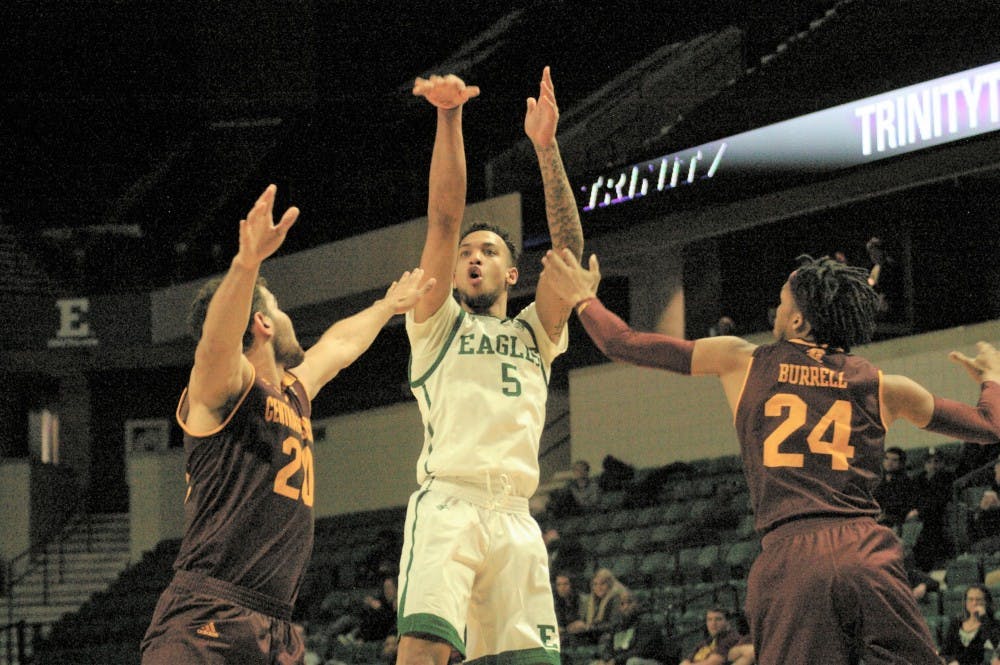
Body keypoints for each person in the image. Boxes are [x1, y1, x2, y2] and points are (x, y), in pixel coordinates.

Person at [539, 249, 1000, 664]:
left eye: (782, 303)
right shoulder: (884, 386)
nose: (775, 310)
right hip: (865, 551)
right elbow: (989, 426)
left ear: (798, 322)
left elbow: (623, 343)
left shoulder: (743, 360)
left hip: (791, 559)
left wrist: (584, 299)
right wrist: (992, 377)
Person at [140, 184, 435, 665]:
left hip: (274, 625)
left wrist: (387, 307)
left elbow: (338, 347)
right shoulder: (225, 387)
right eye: (278, 307)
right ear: (262, 322)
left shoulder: (293, 392)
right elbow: (215, 344)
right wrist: (246, 264)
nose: (287, 315)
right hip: (205, 617)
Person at [395, 67, 584, 665]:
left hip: (515, 516)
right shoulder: (436, 323)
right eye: (467, 255)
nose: (473, 258)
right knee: (424, 650)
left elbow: (569, 257)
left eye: (489, 252)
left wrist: (547, 149)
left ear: (512, 274)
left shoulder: (535, 330)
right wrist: (449, 117)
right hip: (449, 503)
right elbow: (445, 221)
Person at [591, 590, 673, 665]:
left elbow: (641, 651)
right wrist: (606, 659)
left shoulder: (648, 623)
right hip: (621, 661)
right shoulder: (617, 627)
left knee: (633, 662)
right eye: (622, 604)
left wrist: (616, 660)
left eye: (629, 602)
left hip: (648, 661)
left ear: (638, 604)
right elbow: (608, 648)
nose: (626, 607)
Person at [909, 447, 957, 570]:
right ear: (924, 465)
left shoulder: (947, 477)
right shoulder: (918, 479)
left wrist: (920, 511)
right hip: (919, 518)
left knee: (930, 534)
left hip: (939, 516)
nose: (933, 465)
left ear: (943, 463)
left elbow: (941, 500)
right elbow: (913, 498)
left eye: (936, 462)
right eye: (929, 462)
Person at [939, 584, 1000, 665]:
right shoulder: (956, 623)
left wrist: (983, 618)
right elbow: (944, 652)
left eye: (978, 599)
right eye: (970, 599)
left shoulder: (993, 624)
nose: (974, 603)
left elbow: (994, 644)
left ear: (986, 602)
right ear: (965, 602)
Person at [576, 569, 630, 646]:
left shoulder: (617, 598)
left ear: (609, 584)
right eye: (595, 584)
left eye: (602, 584)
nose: (598, 587)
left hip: (615, 635)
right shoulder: (594, 600)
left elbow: (614, 625)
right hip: (598, 633)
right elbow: (587, 621)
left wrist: (588, 627)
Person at [872, 446, 916, 530]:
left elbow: (907, 507)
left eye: (894, 460)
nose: (889, 463)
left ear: (901, 463)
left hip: (897, 524)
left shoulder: (907, 483)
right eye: (887, 458)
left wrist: (888, 516)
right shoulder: (878, 481)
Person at [552, 572, 587, 646]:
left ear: (572, 585)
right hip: (563, 635)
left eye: (565, 584)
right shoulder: (555, 602)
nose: (562, 587)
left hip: (582, 635)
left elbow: (585, 620)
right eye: (559, 585)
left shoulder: (582, 600)